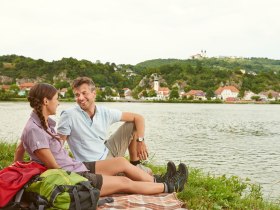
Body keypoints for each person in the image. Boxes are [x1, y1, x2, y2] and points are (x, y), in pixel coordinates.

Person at [14, 83, 188, 196]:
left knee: (120, 162)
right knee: (124, 182)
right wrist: (23, 177)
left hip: (78, 166)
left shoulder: (41, 124)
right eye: (57, 99)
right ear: (46, 101)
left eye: (84, 93)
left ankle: (160, 181)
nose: (59, 103)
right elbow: (55, 168)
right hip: (74, 176)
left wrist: (19, 170)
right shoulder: (37, 129)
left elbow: (20, 148)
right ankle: (170, 187)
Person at [57, 77, 150, 172]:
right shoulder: (69, 115)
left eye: (84, 93)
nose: (80, 98)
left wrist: (140, 141)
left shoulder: (104, 112)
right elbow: (58, 147)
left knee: (132, 124)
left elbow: (138, 118)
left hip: (107, 151)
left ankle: (135, 164)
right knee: (147, 173)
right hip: (94, 166)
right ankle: (136, 172)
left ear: (94, 94)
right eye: (77, 95)